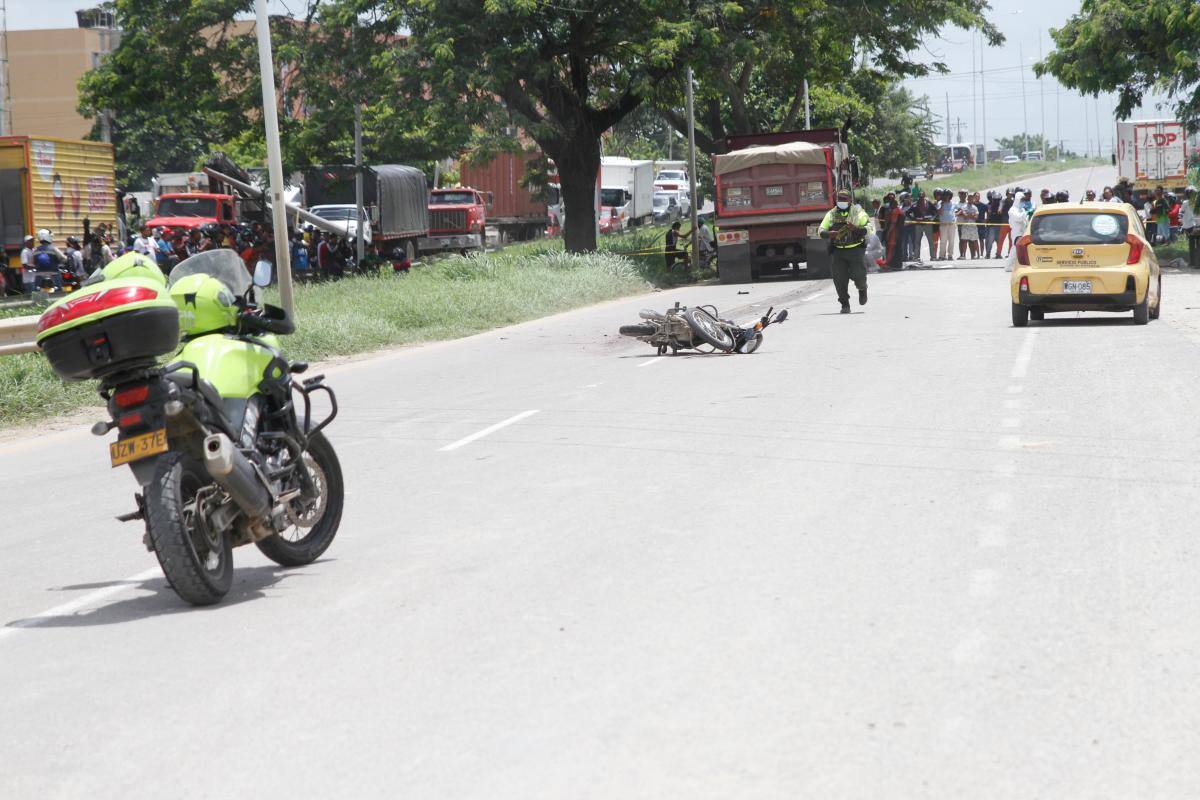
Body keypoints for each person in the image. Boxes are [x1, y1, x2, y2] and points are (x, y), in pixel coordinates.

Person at [817, 189, 871, 314]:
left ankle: (862, 289)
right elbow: (820, 230)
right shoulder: (831, 214)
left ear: (850, 200)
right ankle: (844, 304)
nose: (841, 201)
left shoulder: (858, 213)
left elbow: (869, 228)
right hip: (838, 253)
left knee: (859, 276)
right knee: (839, 280)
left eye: (844, 199)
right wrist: (829, 234)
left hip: (856, 251)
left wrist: (856, 228)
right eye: (839, 199)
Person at [907, 190, 937, 261]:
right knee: (917, 241)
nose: (921, 198)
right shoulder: (914, 205)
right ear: (918, 197)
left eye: (922, 196)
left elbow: (935, 212)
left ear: (924, 196)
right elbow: (907, 213)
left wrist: (932, 218)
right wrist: (914, 219)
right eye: (920, 197)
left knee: (931, 241)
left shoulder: (929, 203)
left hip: (928, 224)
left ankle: (933, 257)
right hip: (918, 225)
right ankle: (917, 257)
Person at [1005, 192, 1031, 272]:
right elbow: (1018, 218)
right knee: (1015, 249)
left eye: (1024, 200)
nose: (1023, 202)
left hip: (1023, 232)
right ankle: (1008, 266)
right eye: (1021, 200)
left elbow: (1025, 220)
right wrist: (1025, 213)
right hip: (1016, 232)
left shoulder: (1022, 209)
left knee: (1023, 249)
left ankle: (1020, 265)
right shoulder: (1012, 210)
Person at [937, 189, 957, 260]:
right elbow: (940, 213)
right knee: (943, 241)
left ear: (950, 196)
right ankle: (941, 255)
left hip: (952, 224)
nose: (946, 197)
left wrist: (956, 214)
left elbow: (960, 209)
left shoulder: (953, 204)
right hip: (943, 224)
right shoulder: (940, 203)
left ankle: (950, 255)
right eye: (945, 195)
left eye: (948, 195)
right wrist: (942, 205)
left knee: (951, 240)